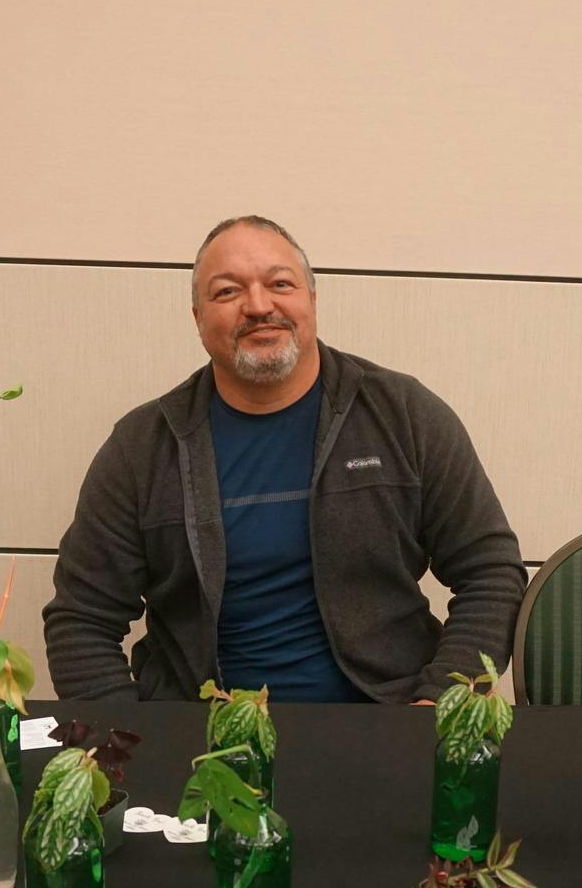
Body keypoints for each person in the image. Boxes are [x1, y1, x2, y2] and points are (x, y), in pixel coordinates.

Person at [43, 215, 526, 704]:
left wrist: (441, 701)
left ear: (311, 301)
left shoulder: (403, 414)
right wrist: (126, 742)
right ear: (197, 318)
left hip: (388, 718)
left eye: (279, 284)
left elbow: (491, 572)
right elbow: (81, 618)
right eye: (228, 292)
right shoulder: (142, 447)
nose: (258, 306)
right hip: (202, 738)